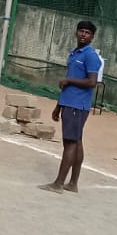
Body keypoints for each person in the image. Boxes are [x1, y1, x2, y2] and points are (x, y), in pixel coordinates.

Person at [40, 19, 102, 194]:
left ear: (92, 37)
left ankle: (59, 183)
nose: (83, 34)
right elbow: (68, 84)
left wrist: (68, 80)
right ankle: (73, 183)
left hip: (77, 105)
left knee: (70, 143)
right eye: (81, 31)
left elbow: (92, 82)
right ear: (76, 32)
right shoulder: (75, 53)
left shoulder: (90, 55)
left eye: (87, 33)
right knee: (77, 141)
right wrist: (59, 106)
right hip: (69, 103)